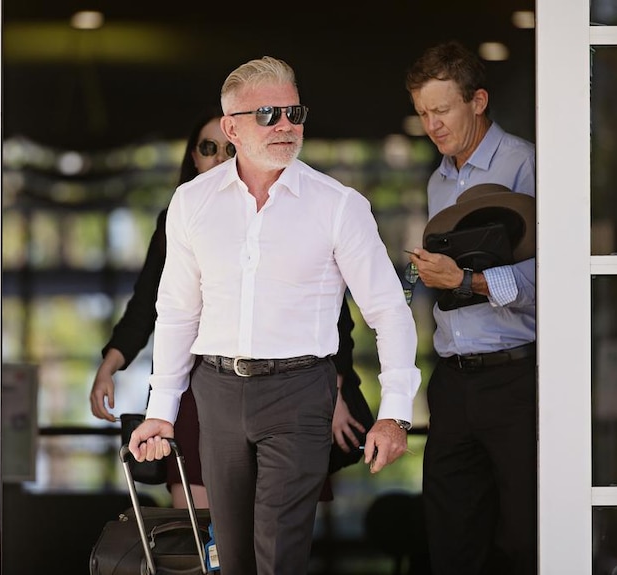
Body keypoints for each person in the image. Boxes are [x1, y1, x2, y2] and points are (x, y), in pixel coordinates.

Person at [128, 56, 421, 575]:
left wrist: (395, 412)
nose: (286, 125)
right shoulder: (191, 203)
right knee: (232, 555)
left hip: (299, 392)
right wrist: (161, 411)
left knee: (279, 551)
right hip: (215, 391)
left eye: (294, 112)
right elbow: (176, 312)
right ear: (231, 127)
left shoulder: (338, 205)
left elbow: (388, 310)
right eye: (268, 114)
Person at [90, 108, 369, 509]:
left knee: (275, 530)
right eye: (209, 148)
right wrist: (109, 366)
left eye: (229, 147)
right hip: (199, 384)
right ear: (193, 157)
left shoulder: (284, 212)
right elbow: (150, 306)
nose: (220, 156)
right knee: (201, 529)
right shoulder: (177, 218)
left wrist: (335, 394)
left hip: (287, 385)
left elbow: (330, 313)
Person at [404, 41, 537, 575]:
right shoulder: (438, 180)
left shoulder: (527, 164)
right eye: (422, 114)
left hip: (517, 379)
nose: (431, 125)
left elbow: (555, 279)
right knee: (453, 543)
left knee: (526, 539)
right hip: (453, 382)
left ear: (477, 100)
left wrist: (468, 279)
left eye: (441, 110)